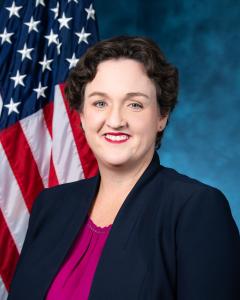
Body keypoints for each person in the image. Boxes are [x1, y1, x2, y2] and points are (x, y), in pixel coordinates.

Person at [8, 36, 240, 300]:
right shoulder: (50, 205)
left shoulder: (196, 209)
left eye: (134, 104)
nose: (116, 120)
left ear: (161, 116)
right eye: (100, 103)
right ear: (83, 116)